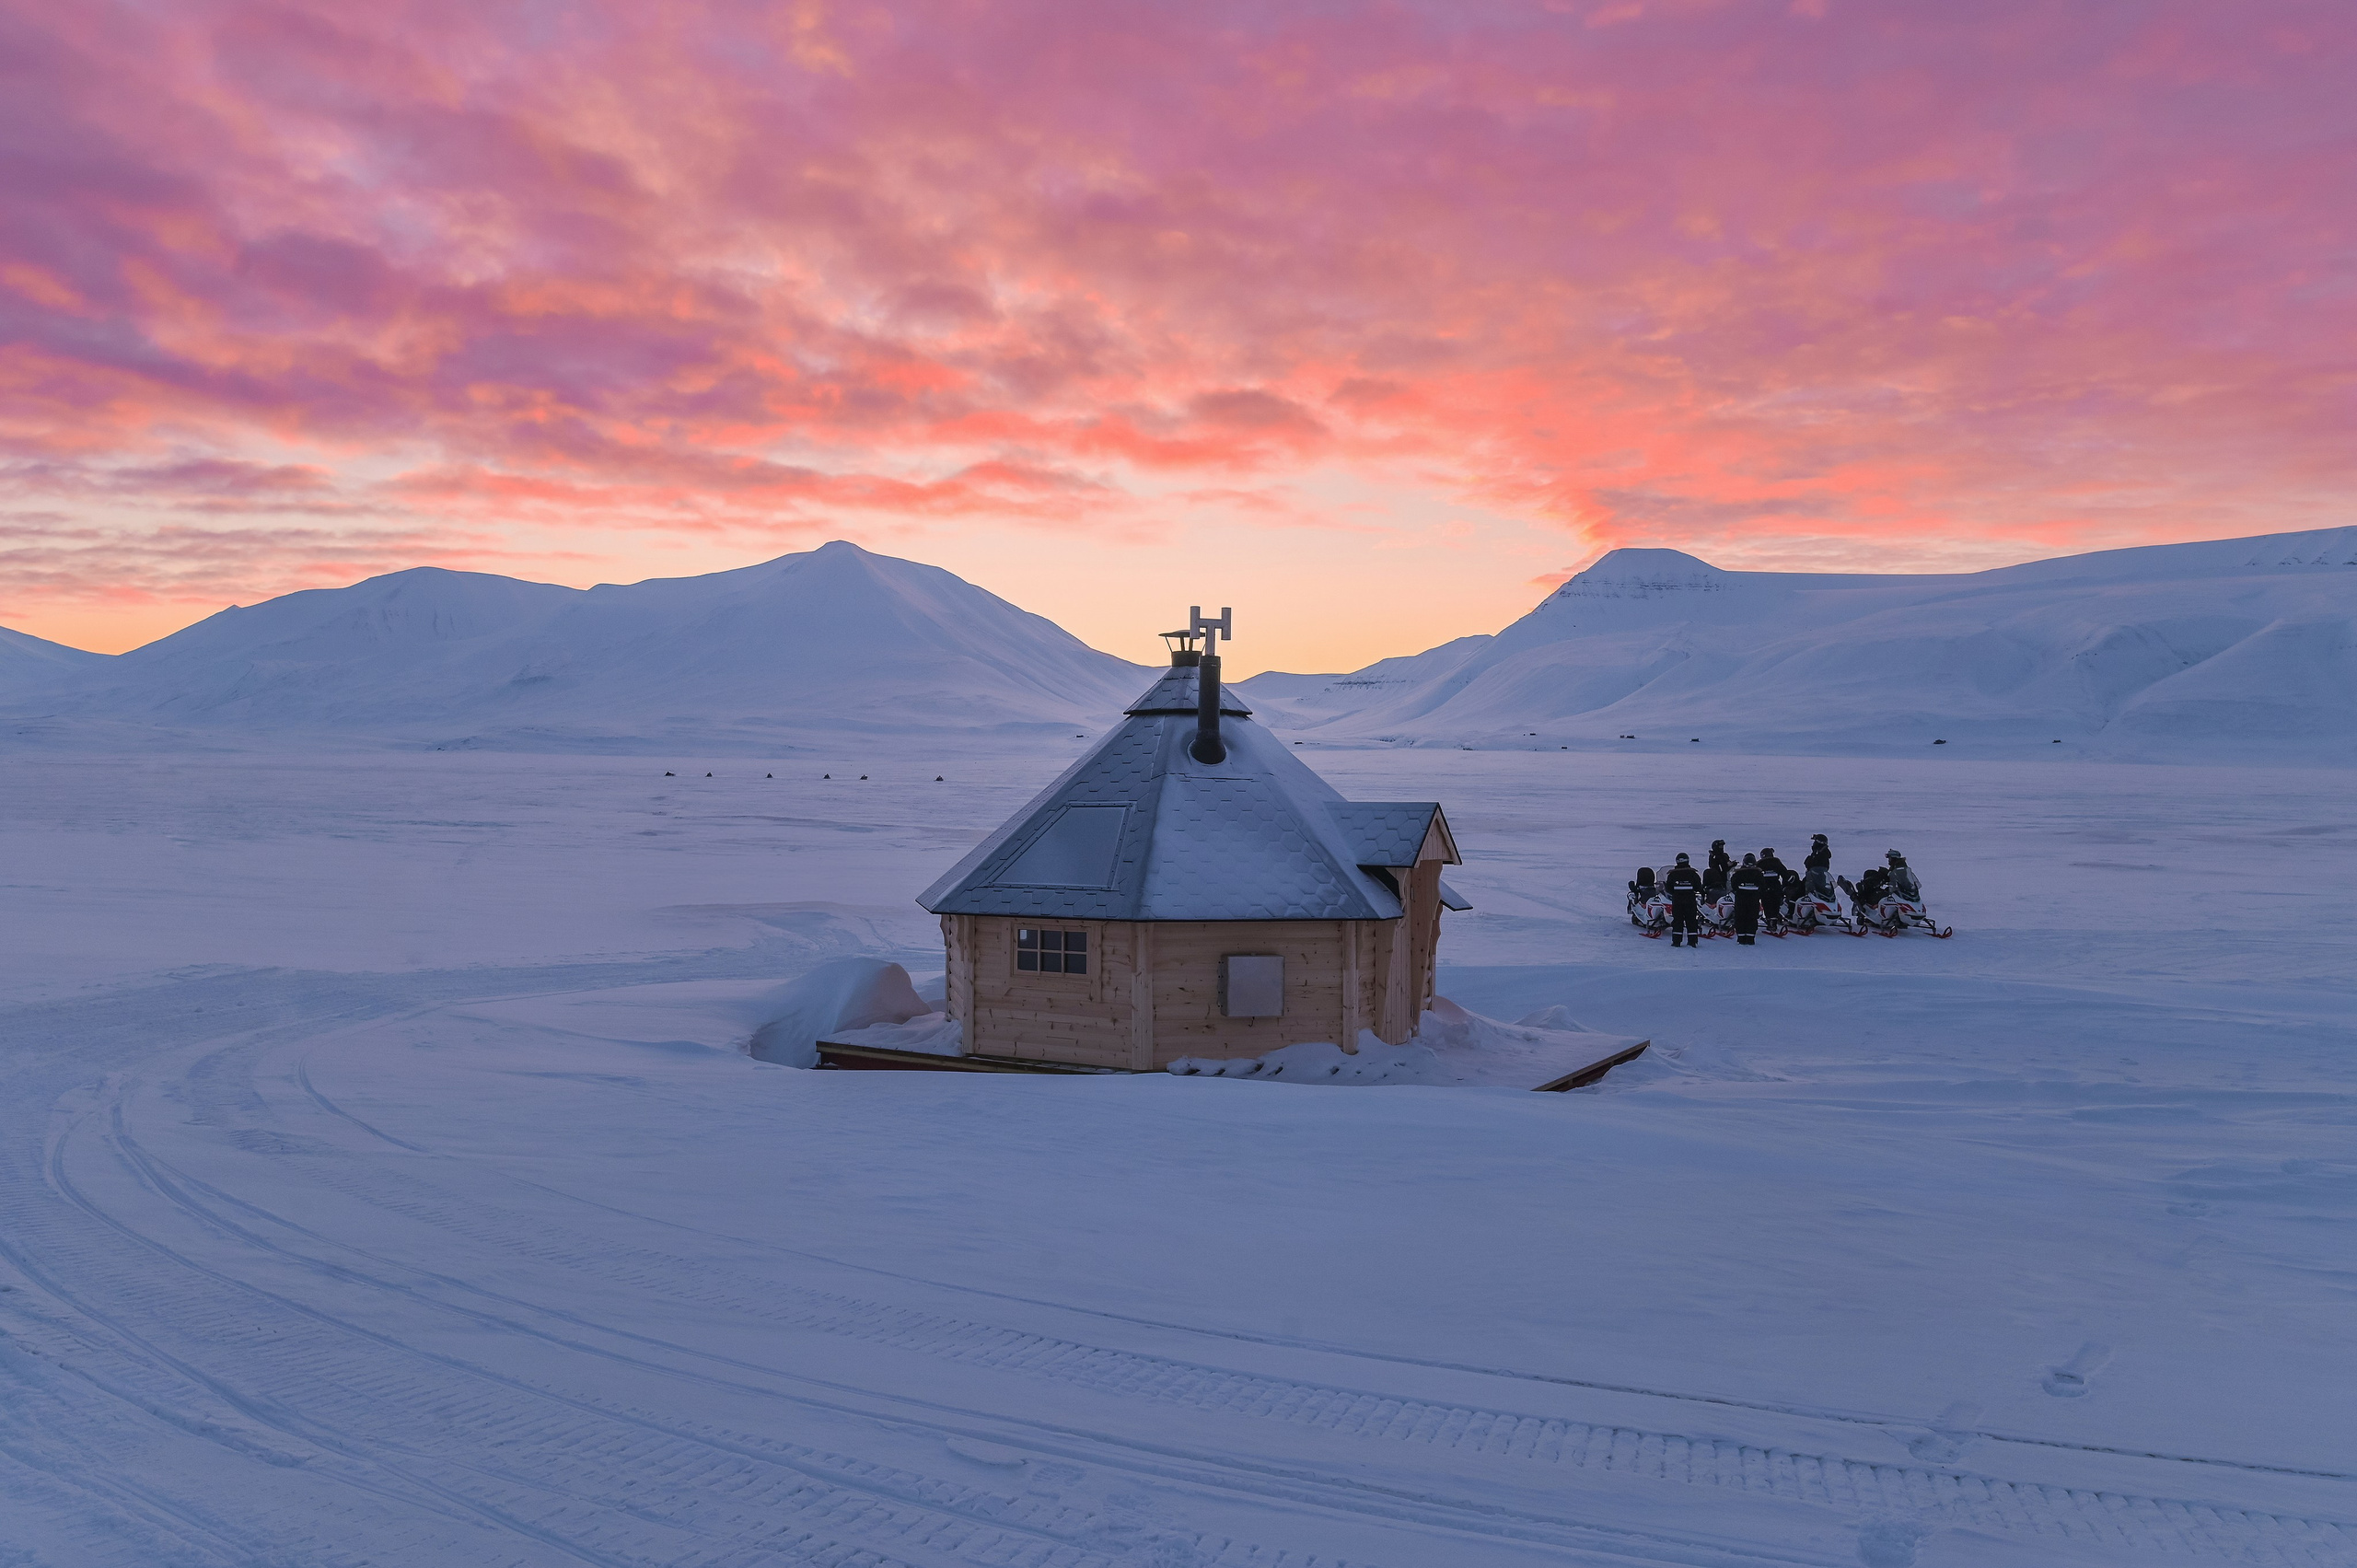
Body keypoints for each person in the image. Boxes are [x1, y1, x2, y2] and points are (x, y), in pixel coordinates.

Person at [1663, 851, 1704, 947]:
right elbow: (1698, 887)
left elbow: (1668, 889)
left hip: (1677, 900)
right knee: (1691, 920)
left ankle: (1676, 941)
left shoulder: (1672, 874)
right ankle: (1692, 941)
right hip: (1690, 900)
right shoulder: (1693, 874)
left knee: (1677, 920)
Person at [1728, 853, 1768, 945]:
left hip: (1741, 899)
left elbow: (1733, 885)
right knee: (1752, 918)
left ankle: (1741, 938)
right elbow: (1763, 887)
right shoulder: (1758, 874)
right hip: (1754, 900)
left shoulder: (1738, 874)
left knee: (1740, 917)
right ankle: (1750, 938)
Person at [1757, 847, 1789, 934]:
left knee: (1767, 904)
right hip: (1776, 886)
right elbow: (1785, 874)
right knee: (1775, 904)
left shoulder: (1759, 864)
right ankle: (1774, 920)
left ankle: (1771, 921)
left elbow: (1755, 876)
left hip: (1765, 888)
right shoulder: (1777, 863)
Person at [1805, 834, 1833, 898]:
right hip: (1813, 877)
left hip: (1817, 879)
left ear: (1818, 843)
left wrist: (1809, 862)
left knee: (1801, 889)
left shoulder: (1821, 854)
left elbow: (1815, 865)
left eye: (1815, 842)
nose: (1813, 844)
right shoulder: (1818, 852)